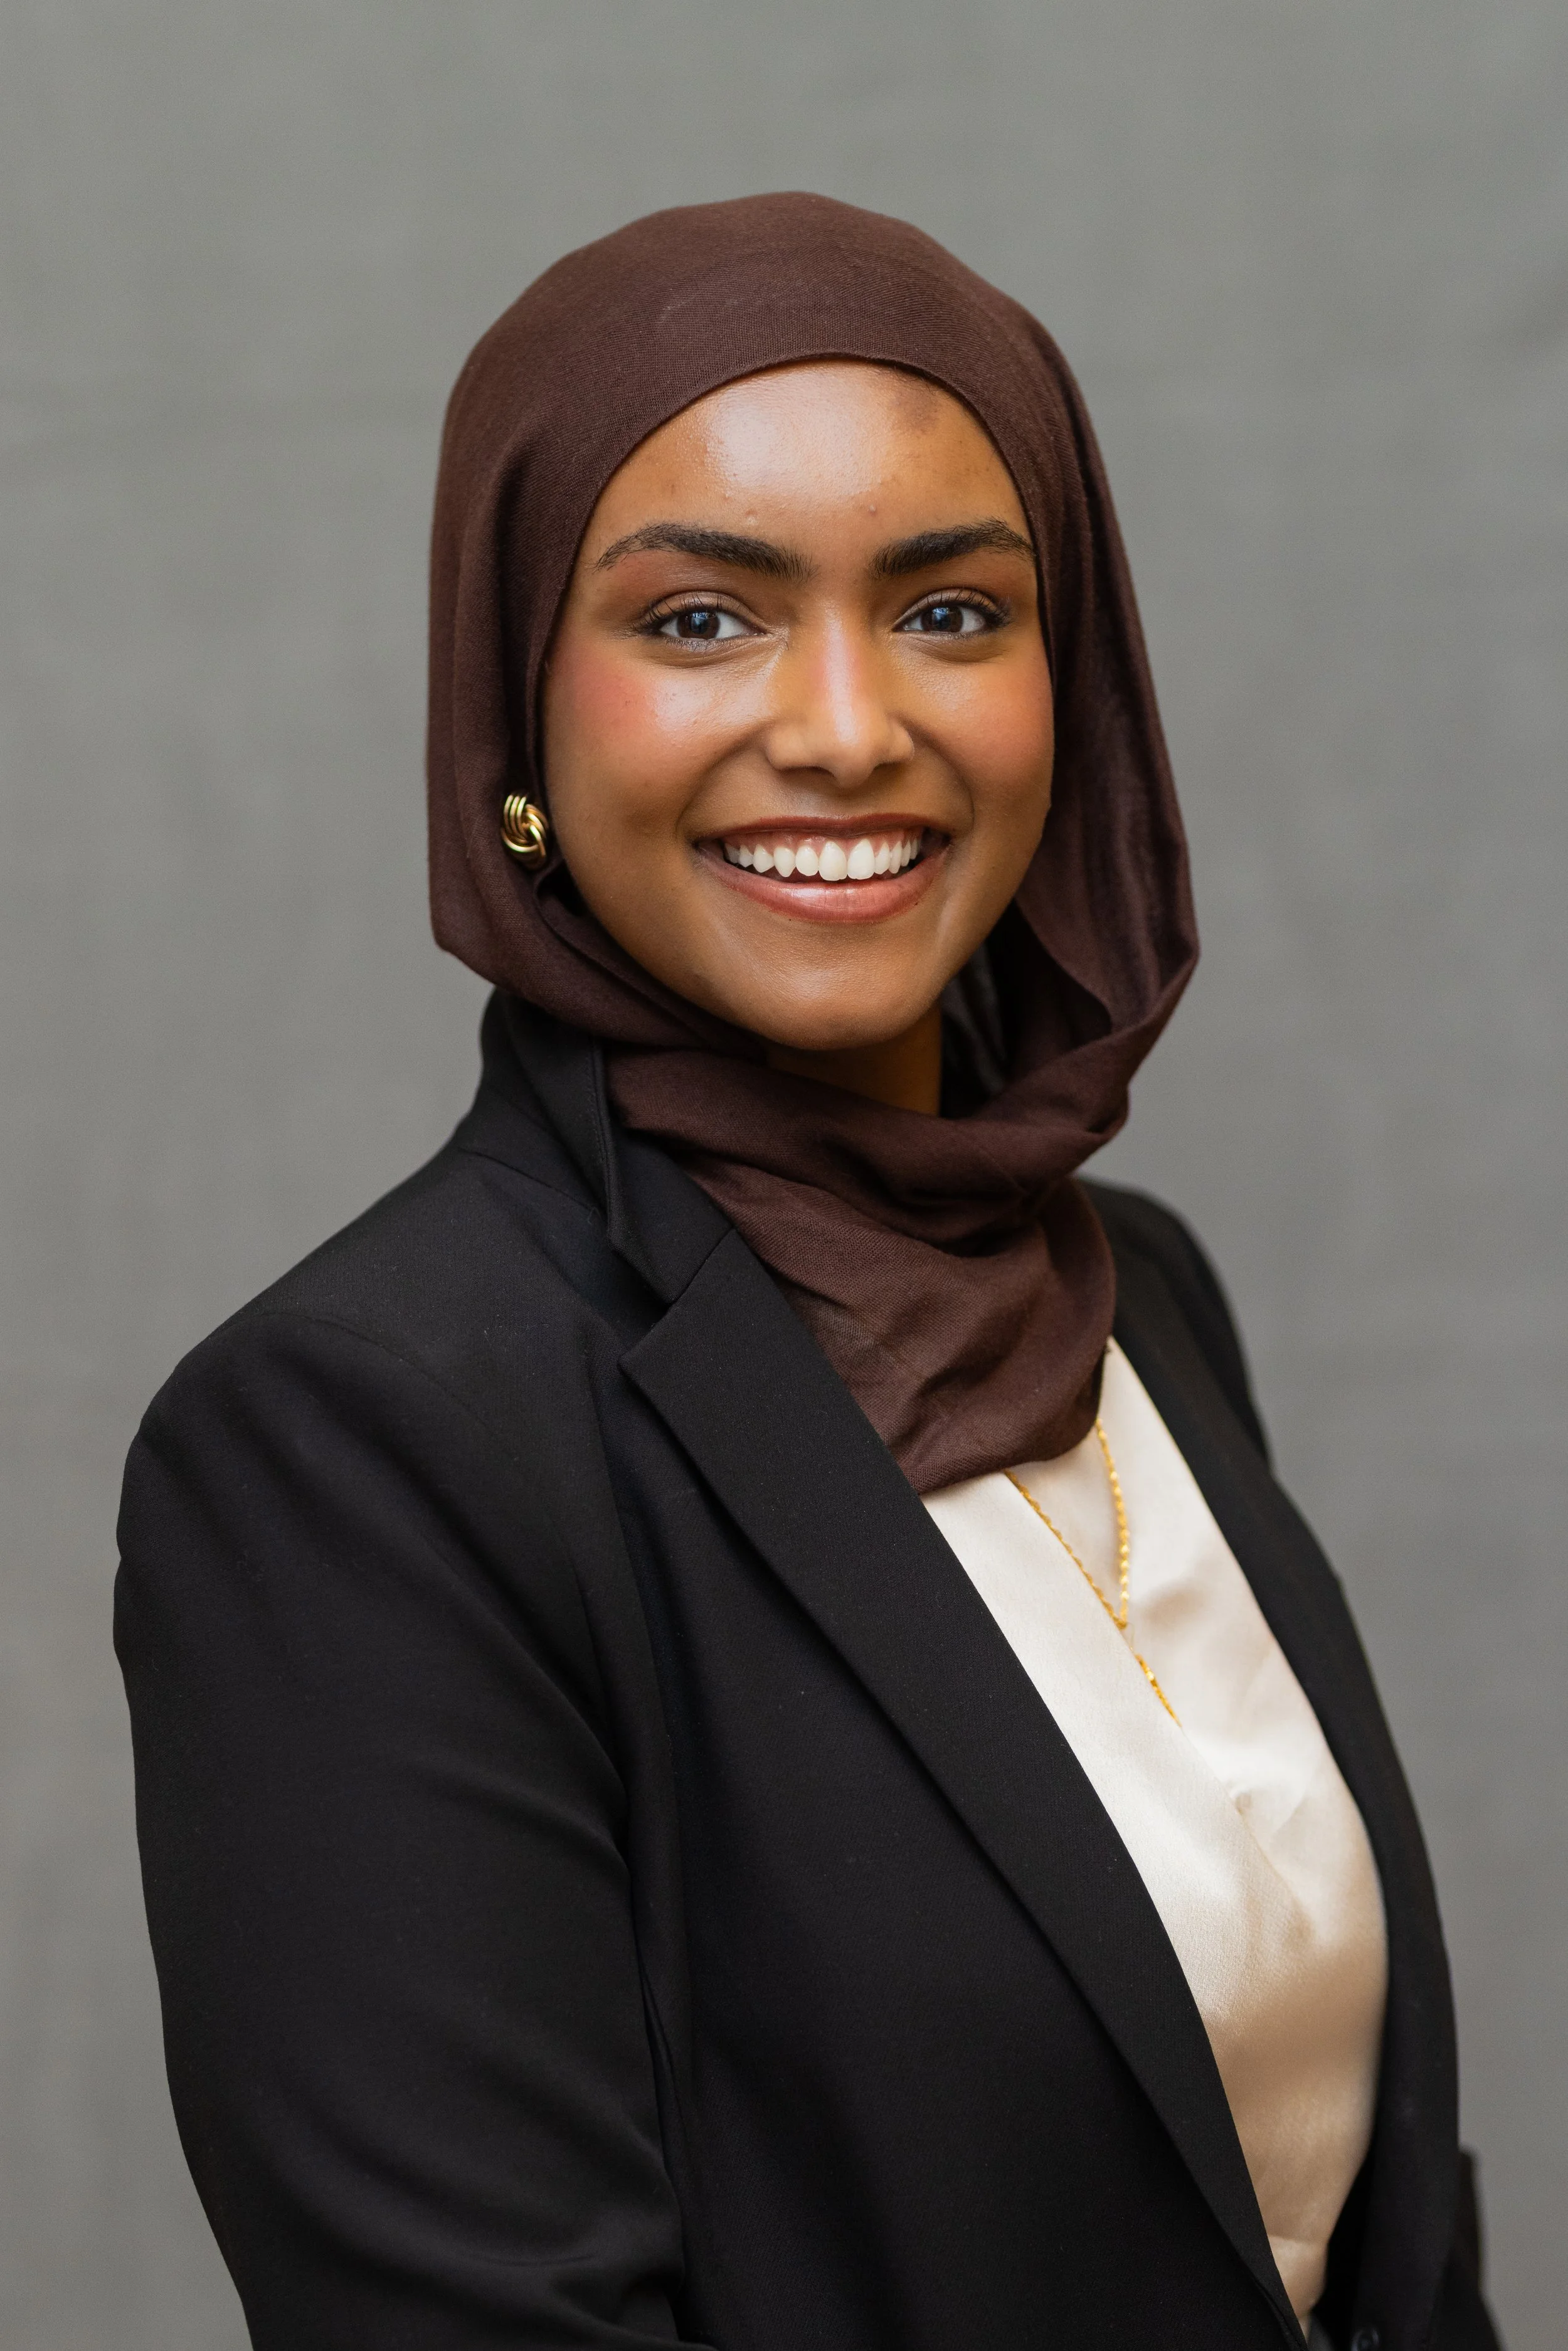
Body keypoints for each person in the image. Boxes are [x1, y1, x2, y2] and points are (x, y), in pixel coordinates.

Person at [115, 194, 1502, 2351]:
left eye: (952, 608)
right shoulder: (369, 1440)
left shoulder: (1142, 1304)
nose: (849, 727)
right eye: (699, 621)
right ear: (514, 715)